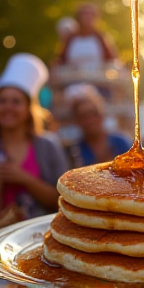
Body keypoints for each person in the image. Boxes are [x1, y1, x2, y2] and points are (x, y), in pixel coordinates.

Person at [0, 53, 69, 226]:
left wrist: (25, 178)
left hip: (40, 233)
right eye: (2, 101)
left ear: (28, 108)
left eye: (16, 102)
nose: (8, 107)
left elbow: (64, 198)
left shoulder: (48, 145)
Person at [66, 84, 131, 167]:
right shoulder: (74, 151)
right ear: (76, 120)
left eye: (94, 114)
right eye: (84, 116)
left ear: (102, 115)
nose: (90, 120)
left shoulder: (121, 142)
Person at [58, 2, 116, 70]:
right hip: (73, 79)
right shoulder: (71, 39)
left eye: (91, 14)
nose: (88, 17)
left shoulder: (100, 38)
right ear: (78, 17)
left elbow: (111, 60)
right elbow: (60, 61)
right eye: (85, 14)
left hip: (97, 79)